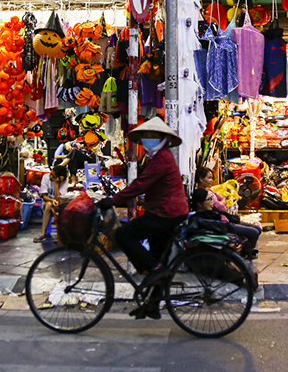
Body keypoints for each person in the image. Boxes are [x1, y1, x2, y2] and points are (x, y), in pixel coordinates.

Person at [97, 117, 188, 319]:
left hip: (166, 212)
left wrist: (113, 200)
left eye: (152, 136)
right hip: (165, 210)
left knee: (123, 235)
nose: (148, 139)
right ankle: (152, 305)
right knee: (157, 259)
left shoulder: (162, 158)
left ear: (163, 138)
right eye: (146, 136)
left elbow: (141, 184)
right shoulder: (158, 157)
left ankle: (154, 271)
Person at [194, 166, 261, 259]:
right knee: (254, 232)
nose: (211, 180)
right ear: (201, 179)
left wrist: (220, 204)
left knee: (257, 229)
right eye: (209, 178)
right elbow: (222, 208)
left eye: (211, 178)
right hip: (221, 223)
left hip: (226, 220)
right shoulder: (202, 194)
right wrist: (221, 204)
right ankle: (244, 253)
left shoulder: (209, 191)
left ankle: (245, 251)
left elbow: (223, 200)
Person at [34, 164, 70, 243]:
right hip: (48, 202)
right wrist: (52, 200)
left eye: (53, 177)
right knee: (48, 205)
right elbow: (44, 196)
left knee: (62, 209)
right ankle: (43, 233)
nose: (50, 178)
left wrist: (56, 184)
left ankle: (59, 235)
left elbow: (59, 198)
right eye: (51, 174)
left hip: (59, 203)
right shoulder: (45, 177)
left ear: (60, 178)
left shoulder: (64, 182)